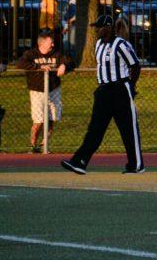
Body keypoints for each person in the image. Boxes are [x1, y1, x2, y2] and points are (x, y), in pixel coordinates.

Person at [60, 15, 144, 175]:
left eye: (99, 27)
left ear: (108, 27)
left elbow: (135, 65)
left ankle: (136, 165)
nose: (96, 30)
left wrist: (131, 87)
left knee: (128, 129)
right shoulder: (98, 44)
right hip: (103, 91)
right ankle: (80, 162)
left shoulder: (121, 44)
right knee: (95, 129)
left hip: (120, 89)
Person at [18, 28, 73, 153]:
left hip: (54, 89)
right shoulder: (31, 54)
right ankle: (33, 145)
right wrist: (39, 66)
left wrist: (64, 65)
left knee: (52, 118)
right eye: (50, 42)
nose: (53, 45)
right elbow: (20, 63)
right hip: (37, 90)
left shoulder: (56, 54)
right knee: (39, 120)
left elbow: (70, 61)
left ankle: (44, 145)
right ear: (41, 43)